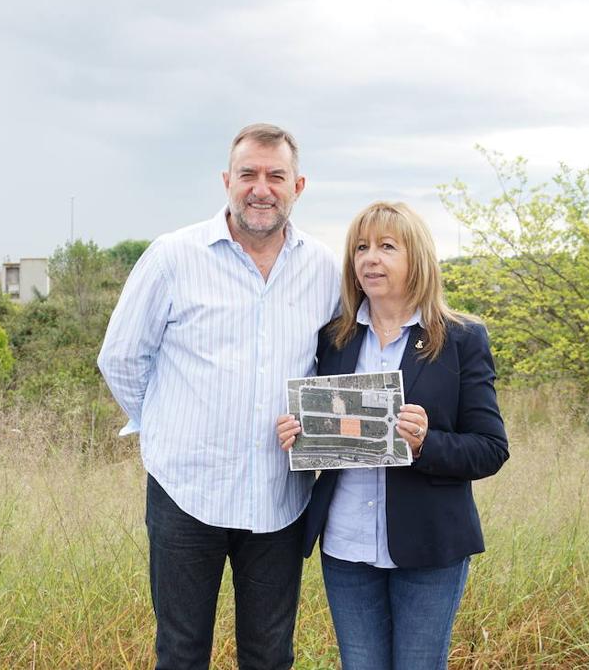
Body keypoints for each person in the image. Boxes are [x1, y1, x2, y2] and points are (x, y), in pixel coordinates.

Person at [98, 123, 339, 670]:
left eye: (275, 176)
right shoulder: (172, 256)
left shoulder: (324, 268)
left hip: (281, 497)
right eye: (248, 174)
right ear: (226, 180)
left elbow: (337, 365)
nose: (261, 188)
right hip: (187, 492)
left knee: (270, 654)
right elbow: (121, 358)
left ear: (298, 186)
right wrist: (164, 426)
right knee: (182, 653)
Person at [276, 201, 508, 670]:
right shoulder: (334, 338)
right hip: (345, 545)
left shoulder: (461, 338)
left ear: (416, 258)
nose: (369, 258)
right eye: (361, 248)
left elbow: (490, 448)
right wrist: (299, 433)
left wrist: (424, 444)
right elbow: (332, 431)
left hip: (428, 547)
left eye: (386, 246)